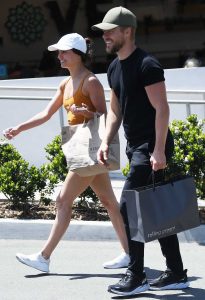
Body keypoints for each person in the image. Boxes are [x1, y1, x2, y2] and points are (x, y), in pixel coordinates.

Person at [3, 33, 129, 272]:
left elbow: (107, 116)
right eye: (58, 52)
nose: (59, 56)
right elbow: (46, 114)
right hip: (85, 149)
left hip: (91, 149)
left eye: (64, 52)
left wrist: (88, 113)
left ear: (77, 54)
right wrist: (19, 128)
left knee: (62, 200)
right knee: (109, 202)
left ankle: (44, 256)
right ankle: (130, 253)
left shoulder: (90, 81)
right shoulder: (65, 83)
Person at [92, 6, 189, 296]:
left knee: (128, 209)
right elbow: (115, 108)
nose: (105, 36)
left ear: (127, 31)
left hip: (150, 147)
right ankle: (176, 272)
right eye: (104, 32)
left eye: (110, 31)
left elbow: (162, 109)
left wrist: (158, 150)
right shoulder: (113, 68)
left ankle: (136, 276)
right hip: (136, 146)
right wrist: (107, 140)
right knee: (154, 210)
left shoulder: (147, 65)